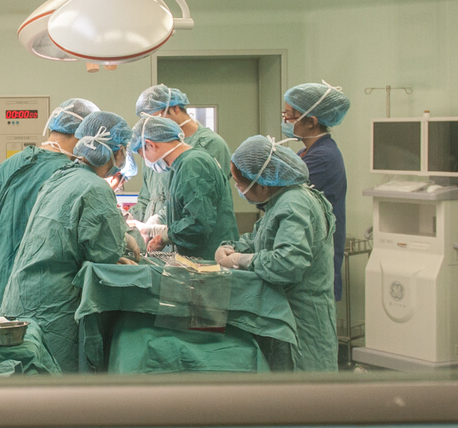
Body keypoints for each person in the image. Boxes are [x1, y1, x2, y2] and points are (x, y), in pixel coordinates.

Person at [0, 111, 138, 372]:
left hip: (22, 299)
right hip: (53, 309)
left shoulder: (60, 176)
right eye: (125, 150)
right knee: (55, 388)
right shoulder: (96, 187)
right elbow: (104, 254)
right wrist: (122, 244)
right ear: (118, 151)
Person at [0, 98, 99, 314]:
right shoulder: (73, 176)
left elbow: (3, 246)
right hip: (48, 307)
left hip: (3, 300)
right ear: (85, 136)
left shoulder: (6, 168)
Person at [216, 135, 338, 371]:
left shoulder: (294, 203)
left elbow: (288, 263)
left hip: (301, 321)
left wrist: (241, 260)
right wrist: (231, 248)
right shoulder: (281, 200)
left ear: (263, 185)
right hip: (286, 315)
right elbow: (261, 239)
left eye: (240, 184)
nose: (238, 189)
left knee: (301, 387)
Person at [129, 115, 238, 259]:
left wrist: (164, 237)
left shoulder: (193, 164)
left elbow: (198, 223)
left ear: (150, 145)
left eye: (143, 156)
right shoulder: (183, 164)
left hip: (210, 260)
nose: (146, 161)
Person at [282, 81, 350, 301]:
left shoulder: (323, 157)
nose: (285, 120)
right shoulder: (305, 153)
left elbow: (282, 195)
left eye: (289, 115)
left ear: (311, 122)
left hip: (316, 251)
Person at [130, 84, 232, 223]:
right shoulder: (152, 150)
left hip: (190, 232)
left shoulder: (211, 144)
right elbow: (146, 199)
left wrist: (160, 221)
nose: (152, 125)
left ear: (175, 108)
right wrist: (129, 219)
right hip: (160, 233)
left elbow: (200, 203)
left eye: (156, 118)